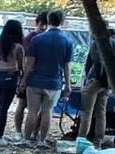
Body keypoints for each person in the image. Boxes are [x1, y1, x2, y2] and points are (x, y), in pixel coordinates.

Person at [18, 9, 74, 146]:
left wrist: (24, 80)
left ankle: (26, 139)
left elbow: (30, 63)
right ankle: (42, 140)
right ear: (62, 22)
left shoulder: (37, 39)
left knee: (32, 110)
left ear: (48, 21)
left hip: (35, 80)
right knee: (47, 111)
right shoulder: (67, 41)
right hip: (54, 82)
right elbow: (67, 66)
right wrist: (68, 84)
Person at [78, 27, 115, 149]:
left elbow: (95, 62)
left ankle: (81, 140)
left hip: (97, 81)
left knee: (87, 112)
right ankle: (98, 143)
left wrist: (93, 78)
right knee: (101, 112)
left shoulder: (97, 43)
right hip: (109, 83)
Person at [13, 11, 49, 137]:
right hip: (30, 75)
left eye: (46, 25)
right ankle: (19, 131)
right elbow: (25, 59)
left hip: (36, 75)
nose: (44, 28)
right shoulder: (29, 39)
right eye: (42, 25)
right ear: (38, 23)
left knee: (36, 107)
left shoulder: (33, 38)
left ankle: (33, 132)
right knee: (23, 104)